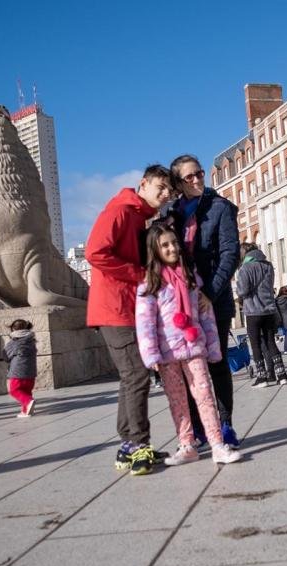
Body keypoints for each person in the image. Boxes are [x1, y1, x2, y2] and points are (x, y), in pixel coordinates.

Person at [86, 164, 174, 475]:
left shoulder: (139, 216)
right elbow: (95, 252)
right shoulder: (121, 210)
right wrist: (139, 275)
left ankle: (127, 446)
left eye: (169, 190)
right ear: (143, 184)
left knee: (131, 376)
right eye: (160, 187)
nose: (165, 194)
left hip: (126, 308)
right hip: (113, 308)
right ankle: (139, 444)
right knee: (137, 374)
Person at [135, 224, 242, 466]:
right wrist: (151, 355)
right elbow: (145, 323)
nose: (172, 248)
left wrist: (213, 346)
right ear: (155, 250)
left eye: (174, 243)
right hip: (168, 353)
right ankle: (187, 444)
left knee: (204, 395)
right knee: (177, 400)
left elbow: (205, 315)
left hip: (194, 346)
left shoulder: (190, 277)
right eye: (165, 245)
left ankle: (217, 444)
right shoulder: (150, 284)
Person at [166, 154, 241, 448]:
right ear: (178, 183)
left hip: (213, 300)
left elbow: (230, 254)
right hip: (182, 303)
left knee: (217, 363)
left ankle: (225, 425)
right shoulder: (172, 213)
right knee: (187, 367)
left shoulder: (219, 207)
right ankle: (198, 428)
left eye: (199, 173)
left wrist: (210, 292)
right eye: (190, 177)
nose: (197, 179)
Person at [236, 243, 286, 388]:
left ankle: (262, 377)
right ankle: (282, 375)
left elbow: (243, 290)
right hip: (269, 310)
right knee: (271, 342)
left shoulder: (245, 268)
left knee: (256, 344)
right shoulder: (268, 265)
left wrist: (239, 292)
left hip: (253, 311)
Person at [4, 319, 37, 417]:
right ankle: (26, 411)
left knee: (14, 390)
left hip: (17, 372)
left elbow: (5, 356)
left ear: (13, 329)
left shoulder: (14, 342)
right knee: (26, 391)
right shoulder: (31, 341)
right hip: (31, 373)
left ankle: (28, 401)